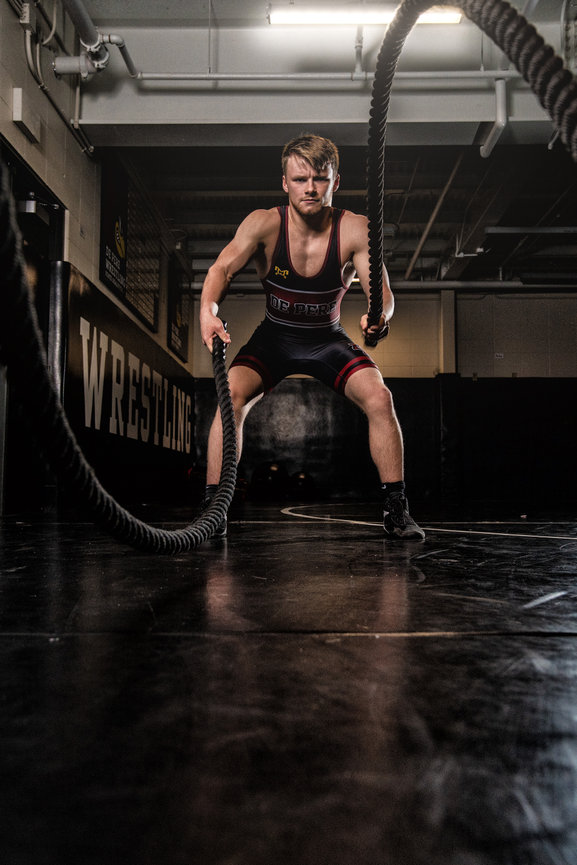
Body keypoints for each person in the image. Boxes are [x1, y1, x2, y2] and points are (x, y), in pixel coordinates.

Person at [199, 133, 424, 540]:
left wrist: (380, 319)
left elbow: (383, 296)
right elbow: (221, 270)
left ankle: (396, 508)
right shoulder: (264, 223)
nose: (310, 188)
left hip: (327, 340)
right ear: (284, 182)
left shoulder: (355, 229)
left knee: (380, 397)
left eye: (320, 179)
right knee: (228, 396)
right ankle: (214, 508)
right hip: (275, 339)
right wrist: (207, 312)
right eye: (300, 179)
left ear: (335, 182)